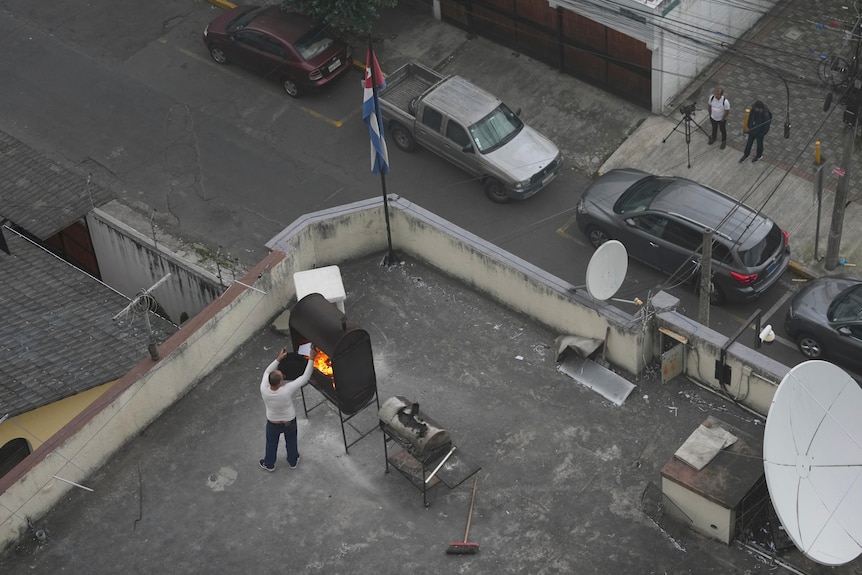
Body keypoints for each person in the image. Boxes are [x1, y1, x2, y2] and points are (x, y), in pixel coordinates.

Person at [258, 346, 315, 472]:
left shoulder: (263, 388)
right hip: (289, 421)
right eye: (281, 376)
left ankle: (269, 464)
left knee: (271, 443)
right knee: (291, 441)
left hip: (272, 423)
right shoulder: (286, 390)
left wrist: (278, 359)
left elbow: (266, 371)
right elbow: (305, 377)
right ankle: (293, 461)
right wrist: (311, 358)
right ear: (279, 383)